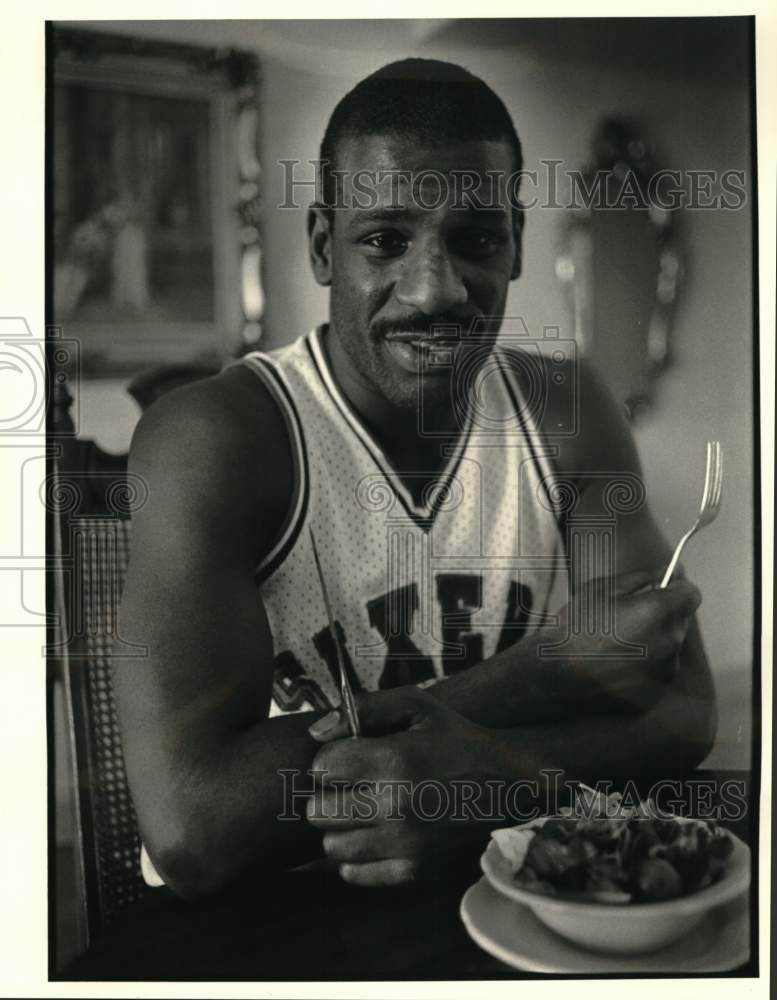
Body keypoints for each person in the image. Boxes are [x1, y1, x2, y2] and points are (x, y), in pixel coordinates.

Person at [114, 59, 716, 899]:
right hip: (279, 912)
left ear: (514, 243)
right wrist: (539, 677)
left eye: (474, 239)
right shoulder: (218, 435)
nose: (434, 289)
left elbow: (682, 716)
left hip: (506, 886)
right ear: (325, 247)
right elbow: (195, 827)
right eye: (384, 240)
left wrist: (485, 782)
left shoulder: (566, 408)